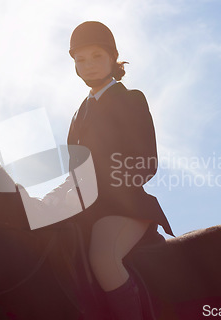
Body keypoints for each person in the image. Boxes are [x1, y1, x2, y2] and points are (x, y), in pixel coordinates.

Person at [42, 21, 173, 320]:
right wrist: (48, 199)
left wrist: (97, 188)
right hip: (85, 209)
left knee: (103, 258)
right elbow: (75, 174)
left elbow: (145, 162)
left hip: (125, 207)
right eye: (80, 59)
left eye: (96, 56)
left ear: (113, 57)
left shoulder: (130, 99)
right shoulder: (78, 114)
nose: (88, 65)